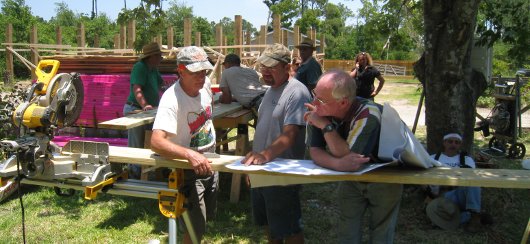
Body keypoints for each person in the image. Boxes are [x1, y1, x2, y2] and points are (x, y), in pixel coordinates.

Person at [305, 69, 403, 244]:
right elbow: (316, 151)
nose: (314, 103)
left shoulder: (369, 113)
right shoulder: (319, 112)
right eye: (314, 95)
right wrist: (338, 165)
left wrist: (326, 127)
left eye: (320, 100)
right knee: (346, 230)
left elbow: (350, 156)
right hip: (352, 179)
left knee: (381, 232)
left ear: (343, 103)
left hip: (386, 178)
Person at [242, 43, 311, 243]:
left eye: (271, 67)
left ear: (287, 67)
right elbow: (264, 129)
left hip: (281, 173)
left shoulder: (296, 92)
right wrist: (253, 166)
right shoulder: (271, 90)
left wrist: (263, 156)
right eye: (263, 66)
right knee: (271, 227)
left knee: (289, 229)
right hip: (263, 169)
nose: (265, 71)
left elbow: (290, 135)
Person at [150, 46, 217, 244]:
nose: (202, 77)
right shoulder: (171, 99)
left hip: (210, 161)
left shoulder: (204, 87)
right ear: (180, 70)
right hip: (188, 168)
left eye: (204, 72)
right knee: (194, 224)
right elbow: (156, 141)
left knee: (204, 221)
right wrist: (189, 155)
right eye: (195, 73)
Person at [426, 133, 492, 233]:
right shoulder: (433, 158)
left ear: (460, 145)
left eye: (457, 142)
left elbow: (471, 178)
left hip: (461, 193)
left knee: (472, 181)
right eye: (450, 141)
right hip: (443, 196)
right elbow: (423, 178)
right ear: (444, 143)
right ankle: (471, 215)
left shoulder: (466, 159)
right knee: (448, 210)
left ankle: (474, 216)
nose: (453, 145)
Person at [123, 42, 164, 178]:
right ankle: (134, 174)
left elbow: (161, 85)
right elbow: (137, 89)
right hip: (136, 110)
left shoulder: (153, 69)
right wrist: (145, 105)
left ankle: (148, 172)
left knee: (150, 142)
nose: (161, 58)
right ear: (151, 56)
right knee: (136, 144)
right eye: (158, 55)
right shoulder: (140, 67)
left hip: (149, 111)